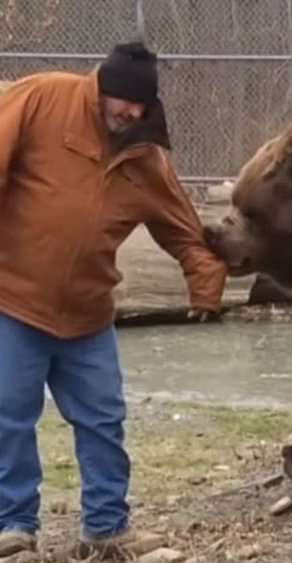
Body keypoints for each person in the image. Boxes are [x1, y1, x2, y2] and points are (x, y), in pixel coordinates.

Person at [0, 41, 227, 559]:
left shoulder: (145, 157)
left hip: (88, 314)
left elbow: (183, 228)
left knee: (103, 420)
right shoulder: (43, 99)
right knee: (7, 416)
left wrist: (206, 281)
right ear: (101, 87)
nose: (132, 112)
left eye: (141, 105)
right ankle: (13, 526)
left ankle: (106, 528)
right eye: (124, 100)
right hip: (13, 299)